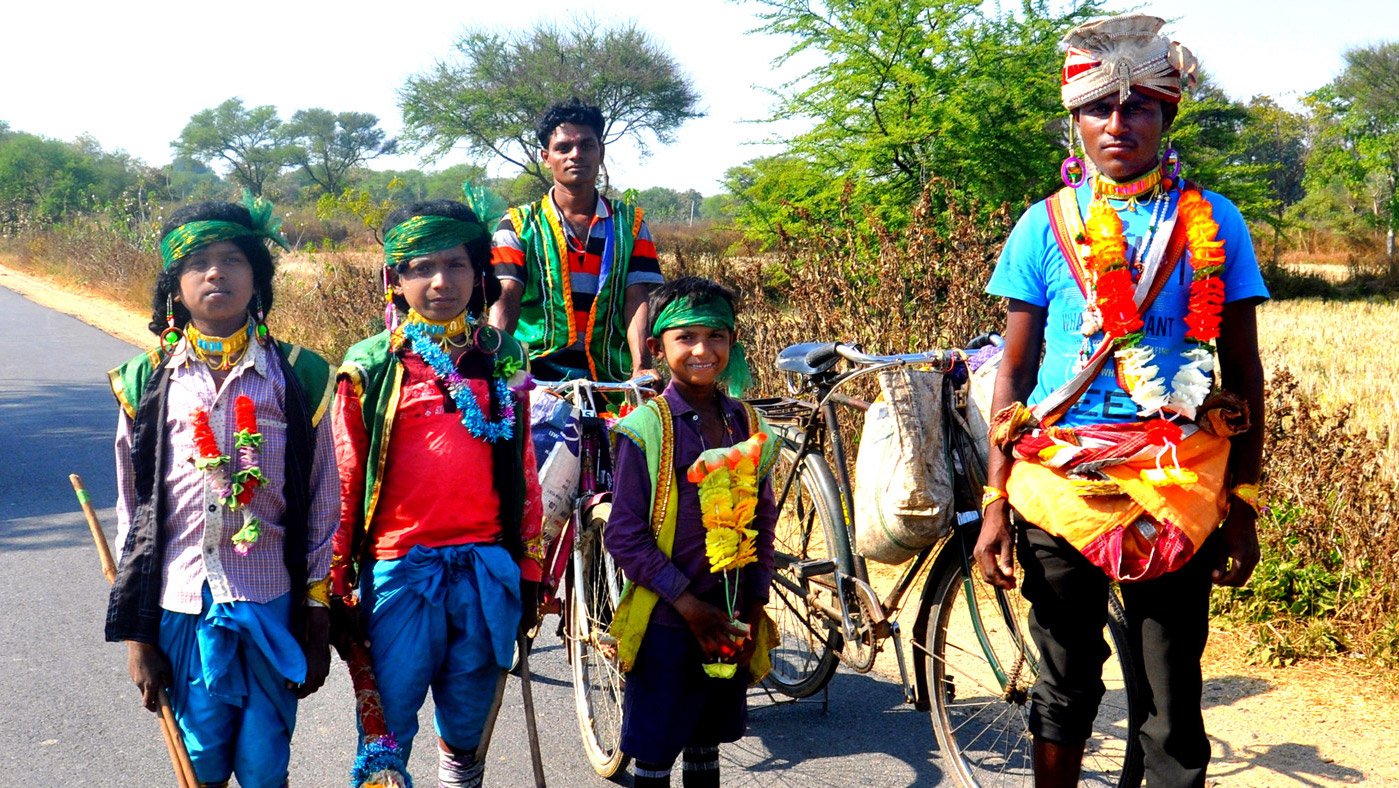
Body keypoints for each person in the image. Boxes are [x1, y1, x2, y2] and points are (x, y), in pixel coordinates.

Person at [973, 14, 1269, 787]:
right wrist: (995, 500)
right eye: (1098, 108)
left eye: (1137, 106)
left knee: (1171, 702)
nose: (1117, 123)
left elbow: (1243, 368)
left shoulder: (1215, 221)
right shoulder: (1042, 225)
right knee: (1063, 686)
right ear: (1074, 122)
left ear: (1165, 116)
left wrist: (1241, 498)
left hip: (1175, 481)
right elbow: (1013, 372)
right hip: (1059, 484)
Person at [106, 194, 337, 788]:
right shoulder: (144, 381)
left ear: (257, 277)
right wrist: (139, 637)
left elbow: (321, 504)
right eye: (198, 262)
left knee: (266, 768)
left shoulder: (300, 373)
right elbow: (133, 516)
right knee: (199, 765)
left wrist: (315, 619)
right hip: (180, 605)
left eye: (234, 259)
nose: (216, 273)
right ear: (174, 287)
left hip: (270, 604)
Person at [330, 199, 544, 788]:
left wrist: (528, 562)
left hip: (487, 569)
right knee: (386, 730)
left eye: (455, 264)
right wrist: (333, 578)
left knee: (468, 728)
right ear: (394, 280)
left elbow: (524, 466)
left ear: (481, 273)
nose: (440, 282)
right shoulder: (371, 366)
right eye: (421, 267)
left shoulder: (504, 358)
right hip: (399, 571)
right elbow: (345, 479)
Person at [604, 276, 778, 788]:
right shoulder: (647, 428)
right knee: (656, 749)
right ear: (658, 349)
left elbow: (762, 515)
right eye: (686, 338)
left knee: (706, 742)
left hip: (728, 615)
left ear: (733, 342)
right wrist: (687, 604)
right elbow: (626, 535)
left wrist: (755, 597)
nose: (703, 350)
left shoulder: (745, 421)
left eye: (716, 336)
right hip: (667, 619)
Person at [489, 97, 664, 382]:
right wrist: (497, 360)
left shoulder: (630, 226)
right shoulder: (517, 225)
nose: (575, 154)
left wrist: (641, 366)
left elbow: (637, 299)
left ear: (600, 152)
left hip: (610, 375)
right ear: (546, 157)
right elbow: (506, 296)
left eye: (586, 145)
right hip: (534, 375)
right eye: (563, 147)